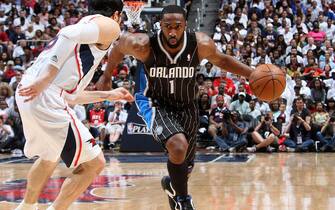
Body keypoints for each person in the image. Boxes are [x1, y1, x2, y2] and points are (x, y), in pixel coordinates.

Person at [96, 5, 254, 210]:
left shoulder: (200, 44)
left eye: (177, 27)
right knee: (178, 146)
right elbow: (118, 48)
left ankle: (172, 186)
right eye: (167, 26)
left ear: (185, 26)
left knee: (184, 167)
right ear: (159, 25)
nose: (172, 31)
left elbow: (222, 60)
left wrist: (252, 74)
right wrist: (107, 75)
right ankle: (183, 201)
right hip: (154, 102)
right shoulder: (143, 45)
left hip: (187, 106)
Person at [14, 1, 133, 210]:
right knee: (93, 164)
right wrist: (46, 78)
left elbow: (70, 97)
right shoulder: (110, 26)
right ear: (116, 14)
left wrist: (108, 94)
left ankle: (27, 206)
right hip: (44, 92)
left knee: (49, 156)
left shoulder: (86, 28)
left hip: (32, 92)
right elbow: (67, 33)